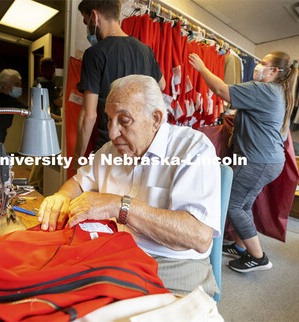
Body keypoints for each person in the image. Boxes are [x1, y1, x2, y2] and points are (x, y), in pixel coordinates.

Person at [38, 75, 221, 296]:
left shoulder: (193, 148)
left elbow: (198, 236)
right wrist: (61, 197)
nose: (113, 133)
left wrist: (120, 206)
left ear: (155, 118)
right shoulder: (109, 150)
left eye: (124, 121)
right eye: (109, 120)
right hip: (114, 252)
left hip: (171, 264)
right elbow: (77, 183)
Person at [189, 51, 299, 273]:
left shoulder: (264, 90)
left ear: (274, 71)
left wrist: (202, 67)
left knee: (233, 204)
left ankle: (259, 257)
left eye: (263, 63)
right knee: (244, 203)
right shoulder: (279, 92)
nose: (258, 66)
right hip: (267, 161)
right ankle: (241, 248)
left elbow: (222, 91)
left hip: (258, 161)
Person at [74, 0, 166, 171]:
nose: (88, 28)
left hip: (111, 148)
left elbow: (89, 115)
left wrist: (78, 159)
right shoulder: (146, 50)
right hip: (141, 148)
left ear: (94, 16)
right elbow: (162, 84)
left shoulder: (95, 54)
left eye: (87, 23)